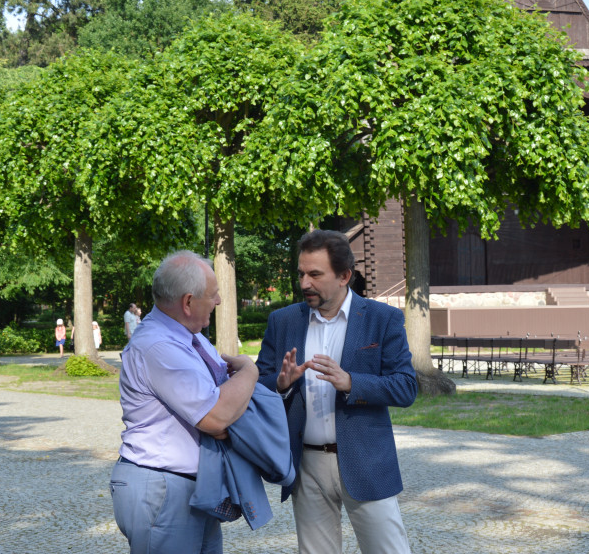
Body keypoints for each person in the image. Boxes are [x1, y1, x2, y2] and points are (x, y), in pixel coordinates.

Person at [255, 229, 418, 554]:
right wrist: (280, 384)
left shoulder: (382, 319)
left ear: (344, 275)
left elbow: (406, 386)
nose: (304, 283)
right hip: (306, 465)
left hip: (365, 461)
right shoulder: (283, 321)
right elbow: (258, 382)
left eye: (315, 274)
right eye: (301, 273)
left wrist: (351, 383)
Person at [111, 250, 258, 554]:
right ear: (188, 302)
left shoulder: (191, 337)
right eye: (213, 295)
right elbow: (217, 418)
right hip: (164, 489)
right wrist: (250, 370)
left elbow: (225, 408)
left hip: (191, 486)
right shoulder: (158, 346)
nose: (218, 302)